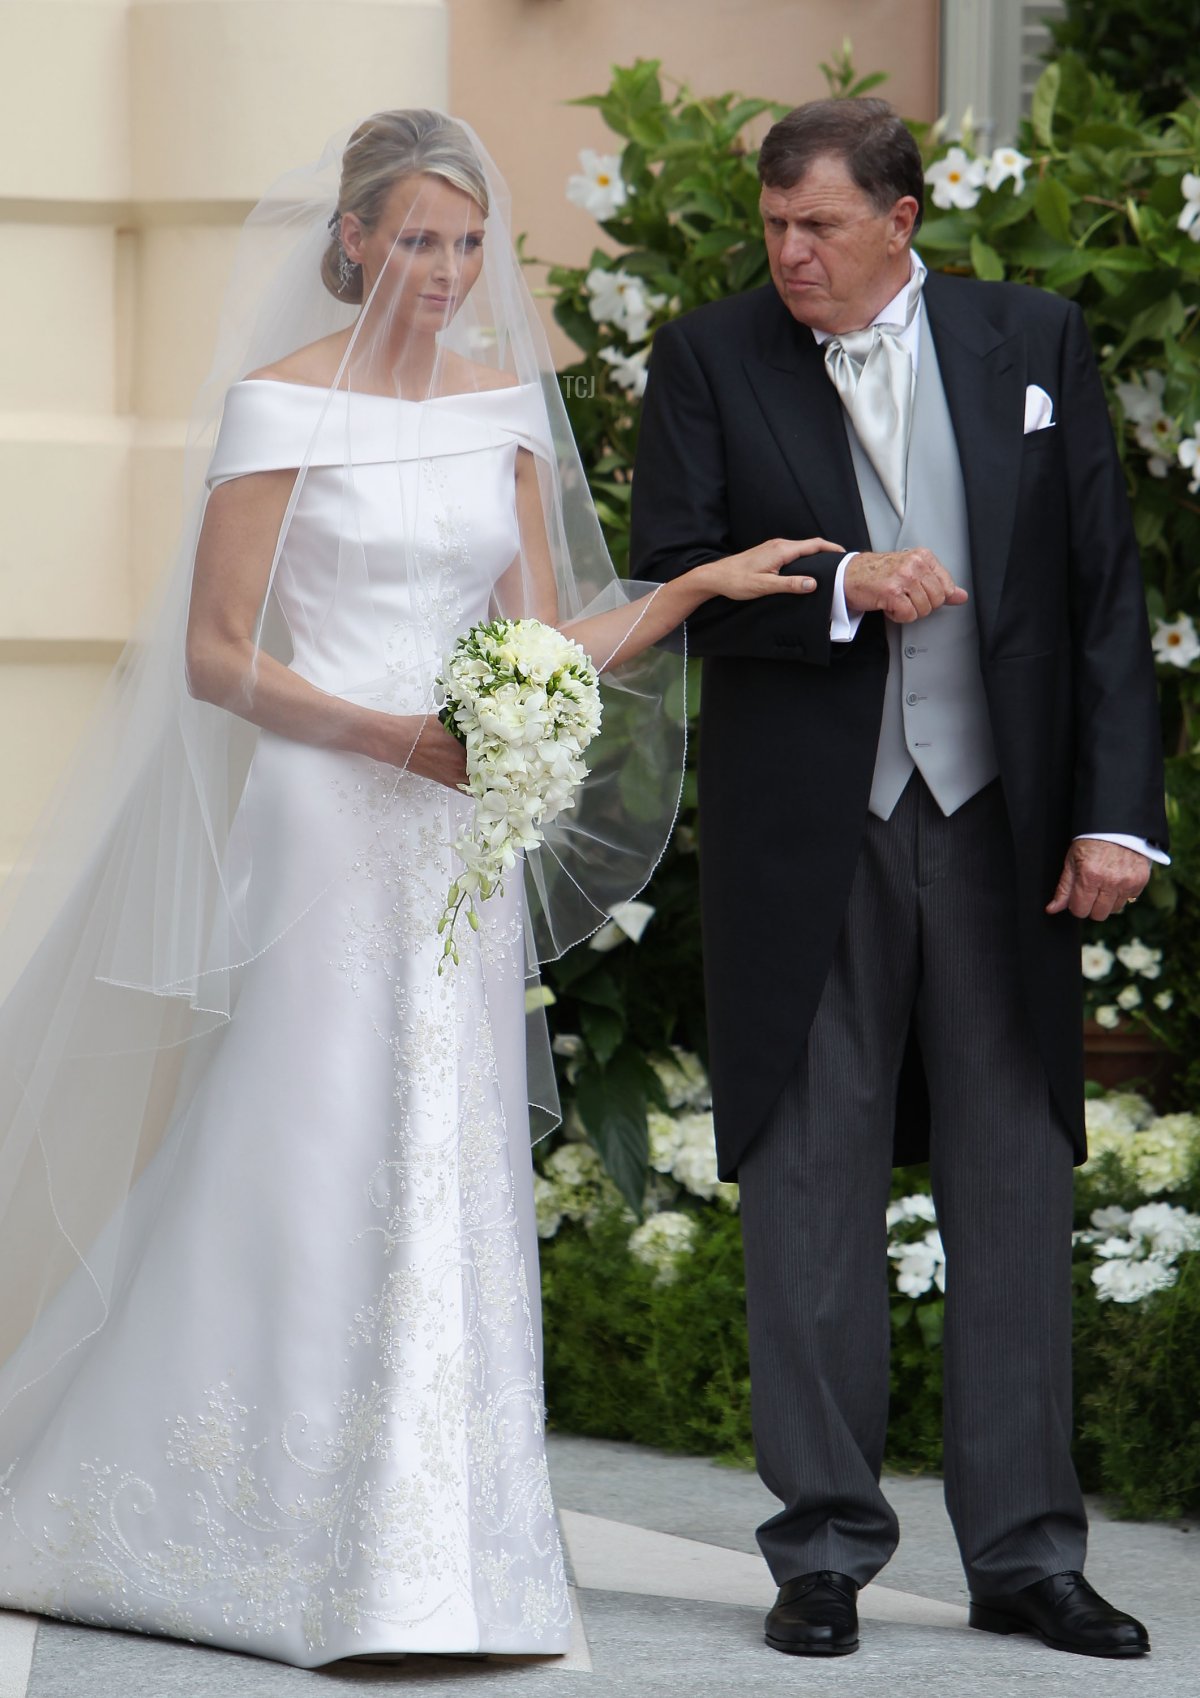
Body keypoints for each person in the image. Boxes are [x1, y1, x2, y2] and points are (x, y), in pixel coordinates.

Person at [0, 109, 833, 1668]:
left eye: (467, 244)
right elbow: (219, 654)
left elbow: (545, 629)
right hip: (336, 802)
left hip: (452, 825)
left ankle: (444, 1559)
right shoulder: (275, 406)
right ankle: (256, 1528)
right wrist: (400, 734)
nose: (446, 273)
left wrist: (690, 590)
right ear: (357, 238)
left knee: (442, 1144)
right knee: (314, 1131)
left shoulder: (501, 407)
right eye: (418, 241)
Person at [630, 97, 1167, 1662]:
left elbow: (1102, 595)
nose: (790, 253)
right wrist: (843, 585)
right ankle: (821, 1548)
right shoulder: (709, 356)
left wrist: (1114, 814)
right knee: (806, 1190)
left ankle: (1025, 1553)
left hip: (1003, 825)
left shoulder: (1035, 339)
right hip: (815, 830)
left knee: (1013, 1177)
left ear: (903, 218)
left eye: (820, 227)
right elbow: (676, 580)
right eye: (774, 226)